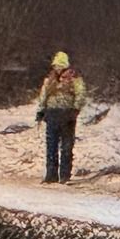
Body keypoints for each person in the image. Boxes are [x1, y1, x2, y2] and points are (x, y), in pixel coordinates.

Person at [34, 50, 87, 183]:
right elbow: (43, 96)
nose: (57, 69)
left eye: (59, 66)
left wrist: (75, 109)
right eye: (55, 66)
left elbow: (81, 95)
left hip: (67, 115)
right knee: (51, 146)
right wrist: (40, 111)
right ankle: (51, 175)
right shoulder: (49, 80)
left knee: (66, 146)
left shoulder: (75, 80)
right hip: (52, 114)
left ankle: (64, 175)